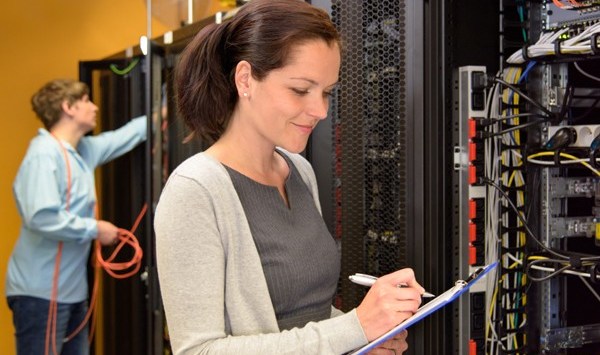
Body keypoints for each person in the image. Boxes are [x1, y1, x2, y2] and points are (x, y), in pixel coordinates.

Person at [153, 0, 425, 354]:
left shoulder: (299, 171)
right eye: (300, 90)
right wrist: (355, 327)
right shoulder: (195, 190)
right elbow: (199, 350)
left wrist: (365, 339)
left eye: (327, 92)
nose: (321, 111)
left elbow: (304, 316)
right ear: (245, 79)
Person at [5, 78, 147, 355]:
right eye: (85, 101)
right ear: (68, 107)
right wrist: (96, 229)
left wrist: (161, 114)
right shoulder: (44, 154)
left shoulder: (81, 152)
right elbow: (42, 218)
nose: (94, 107)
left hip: (71, 293)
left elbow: (123, 137)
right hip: (41, 294)